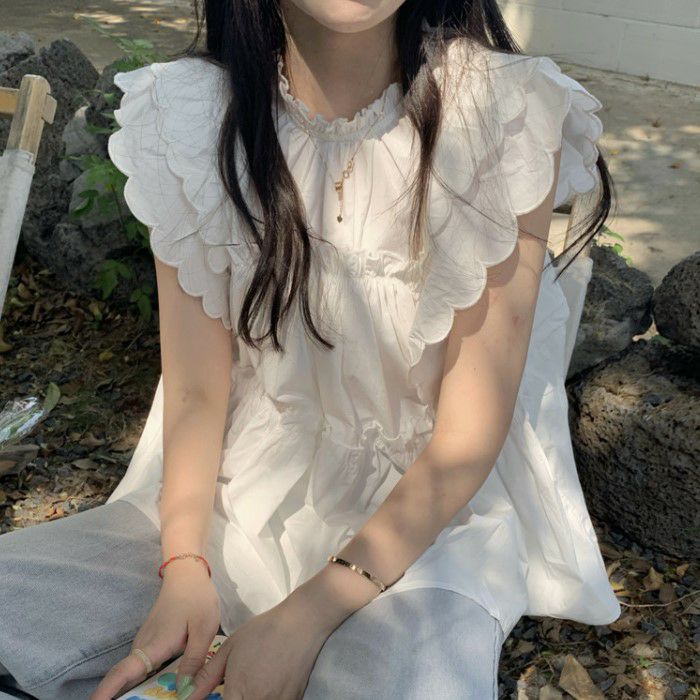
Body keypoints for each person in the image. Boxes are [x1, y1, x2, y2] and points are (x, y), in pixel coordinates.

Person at [0, 1, 622, 698]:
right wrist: (183, 566)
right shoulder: (190, 113)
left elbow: (465, 442)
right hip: (228, 502)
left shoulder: (503, 112)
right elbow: (197, 392)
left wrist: (307, 616)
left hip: (426, 534)